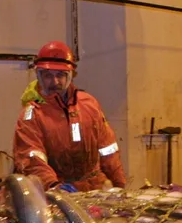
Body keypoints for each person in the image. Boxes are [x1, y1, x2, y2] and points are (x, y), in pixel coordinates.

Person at [12, 40, 127, 193]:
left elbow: (108, 148)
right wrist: (54, 187)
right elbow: (31, 159)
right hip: (55, 193)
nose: (55, 81)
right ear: (38, 75)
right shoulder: (32, 115)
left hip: (95, 189)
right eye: (47, 75)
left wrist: (119, 185)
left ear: (71, 75)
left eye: (61, 75)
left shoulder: (89, 104)